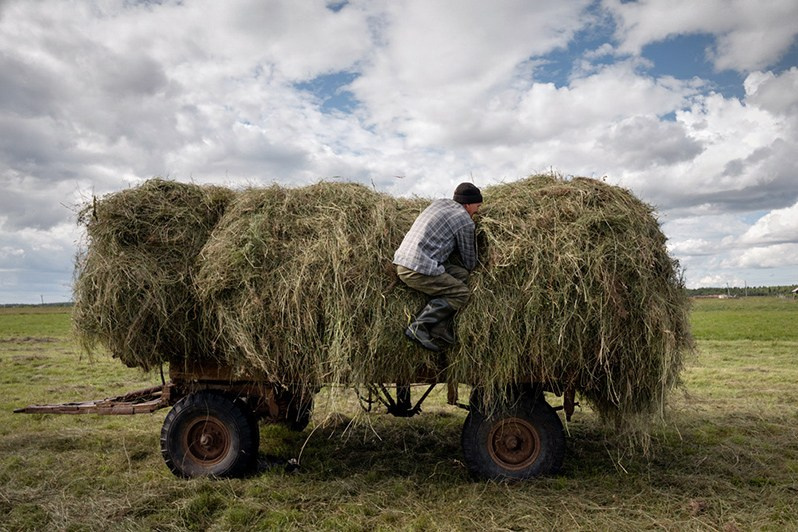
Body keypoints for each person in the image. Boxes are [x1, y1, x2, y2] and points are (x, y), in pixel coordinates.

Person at [393, 182, 482, 351]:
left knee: (462, 275)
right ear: (468, 204)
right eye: (477, 206)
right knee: (461, 293)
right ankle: (418, 326)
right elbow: (470, 260)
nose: (477, 211)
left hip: (405, 259)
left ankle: (440, 327)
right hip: (416, 269)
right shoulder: (464, 221)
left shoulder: (440, 203)